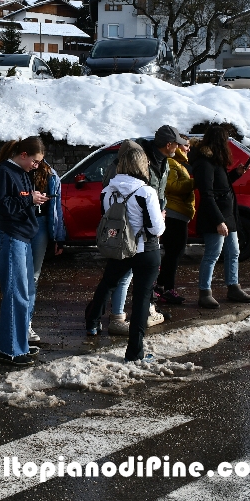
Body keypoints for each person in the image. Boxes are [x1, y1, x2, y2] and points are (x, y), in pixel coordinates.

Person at [99, 126, 185, 334]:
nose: (179, 147)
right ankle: (119, 318)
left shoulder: (161, 161)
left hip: (146, 222)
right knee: (125, 275)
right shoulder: (135, 165)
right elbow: (118, 197)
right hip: (133, 226)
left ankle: (140, 312)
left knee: (129, 275)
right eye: (177, 143)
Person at [84, 145, 166, 362]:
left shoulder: (107, 191)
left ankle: (92, 321)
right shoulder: (146, 192)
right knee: (141, 298)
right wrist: (162, 218)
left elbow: (107, 217)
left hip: (119, 248)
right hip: (145, 250)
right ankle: (134, 351)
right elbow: (156, 229)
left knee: (108, 283)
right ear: (142, 165)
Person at [0, 137, 48, 367]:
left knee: (26, 292)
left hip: (23, 236)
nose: (36, 166)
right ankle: (10, 350)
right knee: (16, 293)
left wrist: (32, 200)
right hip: (12, 236)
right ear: (23, 155)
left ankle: (20, 344)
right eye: (35, 162)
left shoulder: (23, 173)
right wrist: (29, 200)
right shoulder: (4, 172)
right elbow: (2, 206)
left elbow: (19, 201)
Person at [191, 124, 250, 308]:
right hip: (215, 217)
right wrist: (219, 221)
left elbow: (222, 186)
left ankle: (233, 286)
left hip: (228, 215)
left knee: (233, 252)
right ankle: (204, 292)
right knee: (212, 254)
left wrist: (235, 174)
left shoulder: (214, 161)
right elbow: (207, 194)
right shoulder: (204, 163)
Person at [27, 158, 66, 343]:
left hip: (40, 225)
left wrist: (58, 237)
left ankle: (26, 323)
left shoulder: (50, 175)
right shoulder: (15, 171)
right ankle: (18, 321)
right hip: (20, 223)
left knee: (33, 276)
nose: (35, 162)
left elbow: (56, 209)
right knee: (18, 276)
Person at [155, 136, 195, 304]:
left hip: (180, 213)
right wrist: (193, 183)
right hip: (174, 213)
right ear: (177, 146)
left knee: (175, 253)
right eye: (186, 145)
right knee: (174, 253)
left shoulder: (178, 164)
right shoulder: (171, 163)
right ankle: (167, 289)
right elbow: (171, 186)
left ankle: (160, 287)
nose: (188, 149)